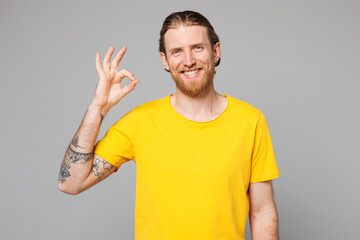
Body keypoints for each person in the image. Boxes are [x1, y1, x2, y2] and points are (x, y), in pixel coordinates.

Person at [58, 10, 280, 240]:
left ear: (216, 51)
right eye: (177, 52)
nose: (189, 61)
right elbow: (71, 183)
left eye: (197, 47)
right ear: (165, 60)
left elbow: (262, 210)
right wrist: (98, 108)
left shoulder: (250, 120)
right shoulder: (140, 121)